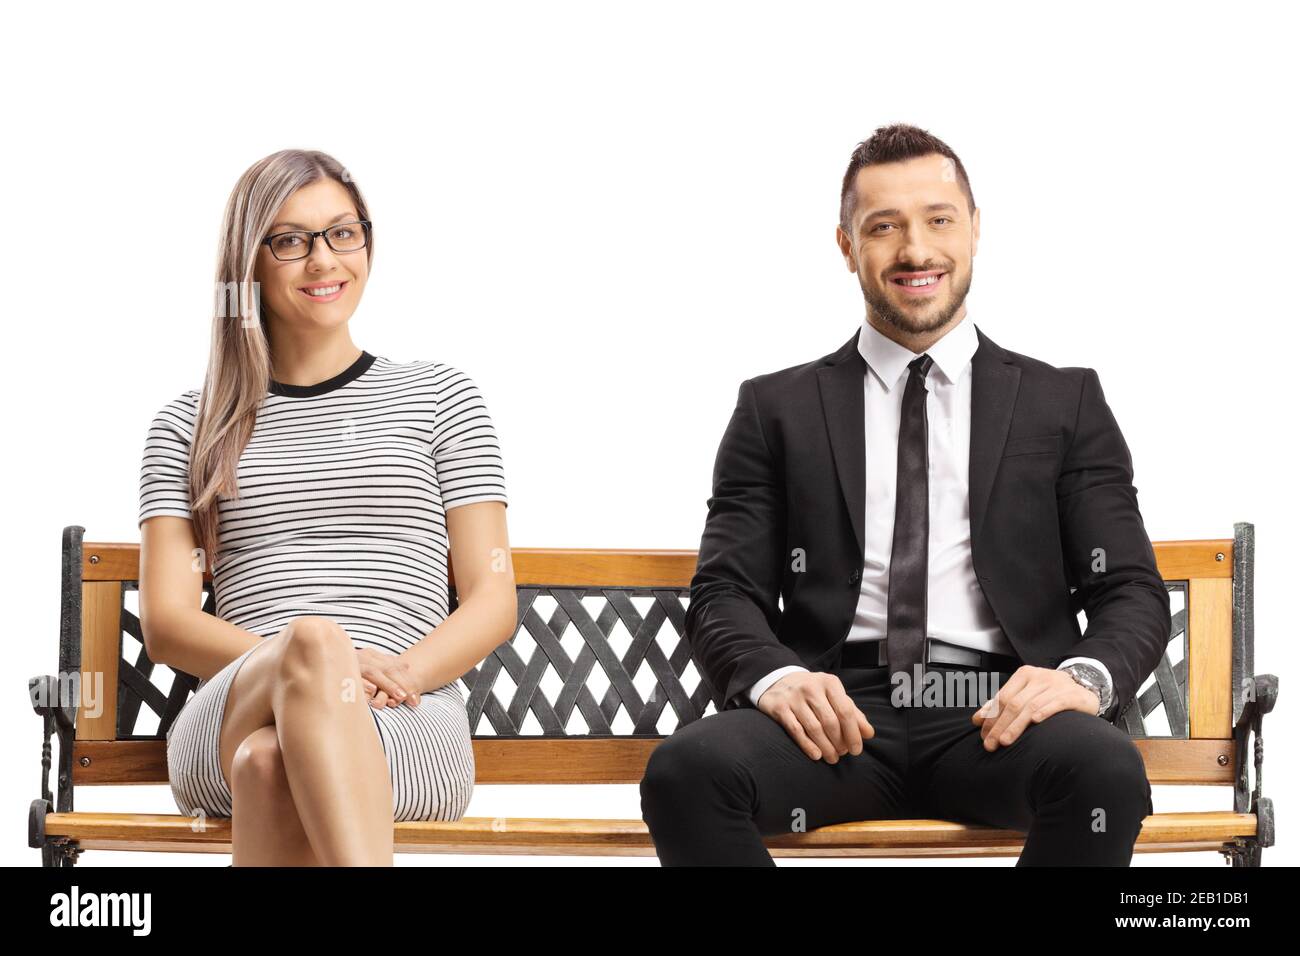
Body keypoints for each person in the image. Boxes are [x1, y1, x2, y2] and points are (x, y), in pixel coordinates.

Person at [640, 124, 1169, 866]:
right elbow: (724, 591)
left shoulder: (1064, 401)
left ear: (976, 230)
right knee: (687, 773)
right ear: (847, 246)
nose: (915, 250)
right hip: (838, 717)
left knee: (1105, 771)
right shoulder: (775, 409)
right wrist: (779, 677)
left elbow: (1131, 590)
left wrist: (1079, 679)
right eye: (884, 226)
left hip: (997, 713)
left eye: (938, 220)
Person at [137, 149, 517, 866]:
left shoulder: (442, 399)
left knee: (270, 764)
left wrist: (385, 677)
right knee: (312, 644)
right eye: (290, 241)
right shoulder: (187, 427)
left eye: (343, 233)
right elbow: (169, 624)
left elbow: (492, 597)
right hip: (231, 707)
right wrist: (314, 664)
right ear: (249, 263)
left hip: (407, 716)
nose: (323, 260)